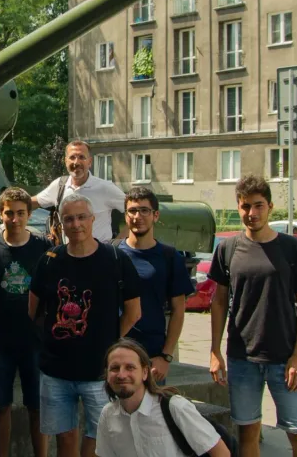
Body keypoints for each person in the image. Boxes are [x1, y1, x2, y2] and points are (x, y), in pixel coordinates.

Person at [209, 175, 297, 457]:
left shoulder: (292, 248)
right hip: (242, 357)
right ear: (238, 208)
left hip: (284, 358)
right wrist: (214, 350)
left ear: (270, 207)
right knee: (248, 433)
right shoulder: (227, 249)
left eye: (258, 206)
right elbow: (219, 301)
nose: (252, 213)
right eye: (245, 206)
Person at [28, 194, 141, 457]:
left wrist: (111, 340)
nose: (76, 224)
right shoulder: (49, 260)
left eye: (81, 217)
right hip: (56, 370)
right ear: (61, 223)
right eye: (69, 218)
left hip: (98, 372)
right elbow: (33, 310)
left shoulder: (115, 259)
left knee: (99, 438)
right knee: (64, 440)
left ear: (93, 220)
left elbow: (134, 311)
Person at [0, 187, 50, 457]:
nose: (15, 219)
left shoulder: (43, 247)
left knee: (37, 407)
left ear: (29, 214)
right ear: (1, 213)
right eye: (9, 213)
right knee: (0, 407)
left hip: (34, 341)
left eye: (20, 213)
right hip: (0, 341)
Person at [96, 339, 230, 457]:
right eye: (115, 368)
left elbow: (220, 452)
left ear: (144, 373)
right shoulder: (108, 415)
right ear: (107, 374)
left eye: (130, 367)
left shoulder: (174, 407)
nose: (121, 375)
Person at [117, 187, 194, 384]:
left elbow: (178, 311)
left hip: (152, 358)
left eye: (144, 210)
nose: (137, 216)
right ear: (125, 216)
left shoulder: (170, 257)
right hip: (117, 354)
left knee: (152, 413)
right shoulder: (112, 254)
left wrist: (166, 356)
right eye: (132, 211)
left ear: (155, 215)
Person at [32, 141, 125, 244]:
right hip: (68, 255)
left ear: (89, 162)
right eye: (72, 157)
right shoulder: (59, 186)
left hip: (100, 256)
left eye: (82, 157)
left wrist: (119, 242)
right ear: (66, 161)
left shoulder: (105, 188)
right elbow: (30, 203)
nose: (76, 162)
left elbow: (136, 209)